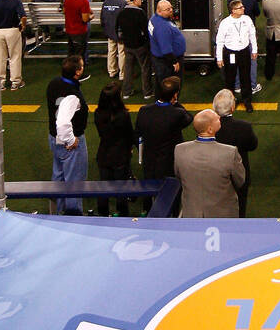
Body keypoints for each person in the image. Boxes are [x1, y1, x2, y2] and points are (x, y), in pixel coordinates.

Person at [174, 108, 245, 219]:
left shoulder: (180, 150)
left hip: (191, 213)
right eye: (217, 119)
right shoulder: (230, 152)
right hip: (223, 215)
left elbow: (179, 176)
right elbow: (240, 181)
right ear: (210, 129)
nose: (219, 118)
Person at [46, 54, 89, 214]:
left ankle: (56, 215)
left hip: (53, 138)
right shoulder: (72, 95)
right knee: (74, 183)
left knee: (58, 176)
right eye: (82, 66)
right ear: (77, 72)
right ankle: (73, 217)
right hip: (68, 142)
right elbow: (63, 122)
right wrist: (70, 139)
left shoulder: (53, 83)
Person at [137, 75, 194, 193]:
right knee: (170, 196)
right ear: (175, 95)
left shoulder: (144, 111)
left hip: (149, 162)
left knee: (149, 193)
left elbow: (137, 132)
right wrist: (175, 102)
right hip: (169, 164)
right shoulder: (177, 114)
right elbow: (189, 117)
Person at [212, 87, 258, 217]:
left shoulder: (209, 128)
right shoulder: (244, 127)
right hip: (239, 176)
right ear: (232, 107)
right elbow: (253, 145)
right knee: (240, 209)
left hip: (215, 175)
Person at [94, 82, 136, 217]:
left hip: (104, 155)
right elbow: (129, 134)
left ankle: (103, 215)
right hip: (120, 156)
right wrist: (130, 148)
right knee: (121, 189)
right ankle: (123, 215)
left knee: (104, 188)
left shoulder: (98, 113)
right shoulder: (123, 115)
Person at [215, 0, 258, 113]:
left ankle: (247, 101)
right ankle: (229, 102)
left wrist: (254, 49)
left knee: (246, 77)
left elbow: (252, 35)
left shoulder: (247, 19)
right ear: (233, 10)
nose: (243, 8)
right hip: (230, 53)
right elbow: (219, 41)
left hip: (244, 51)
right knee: (230, 79)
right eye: (240, 7)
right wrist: (219, 58)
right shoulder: (225, 23)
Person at [119, 0, 153, 100]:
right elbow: (146, 29)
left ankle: (126, 92)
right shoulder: (140, 13)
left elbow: (118, 29)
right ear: (134, 1)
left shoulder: (122, 12)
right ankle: (147, 92)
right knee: (145, 68)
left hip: (127, 45)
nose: (141, 0)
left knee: (128, 68)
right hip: (140, 45)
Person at [148, 0, 186, 87]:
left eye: (171, 8)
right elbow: (166, 49)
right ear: (159, 11)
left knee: (160, 83)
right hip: (166, 61)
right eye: (168, 9)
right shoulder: (162, 27)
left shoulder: (155, 18)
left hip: (159, 58)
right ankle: (171, 100)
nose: (171, 10)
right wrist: (174, 61)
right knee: (170, 85)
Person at [63, 0, 92, 73]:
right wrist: (91, 16)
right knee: (80, 52)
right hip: (79, 29)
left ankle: (69, 70)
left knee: (71, 51)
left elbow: (64, 10)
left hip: (69, 28)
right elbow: (85, 19)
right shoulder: (84, 0)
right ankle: (78, 71)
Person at [100, 0, 128, 80]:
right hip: (120, 32)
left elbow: (102, 17)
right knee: (122, 52)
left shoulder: (106, 2)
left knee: (111, 51)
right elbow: (125, 19)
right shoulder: (123, 3)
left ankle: (112, 71)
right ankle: (122, 74)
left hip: (109, 31)